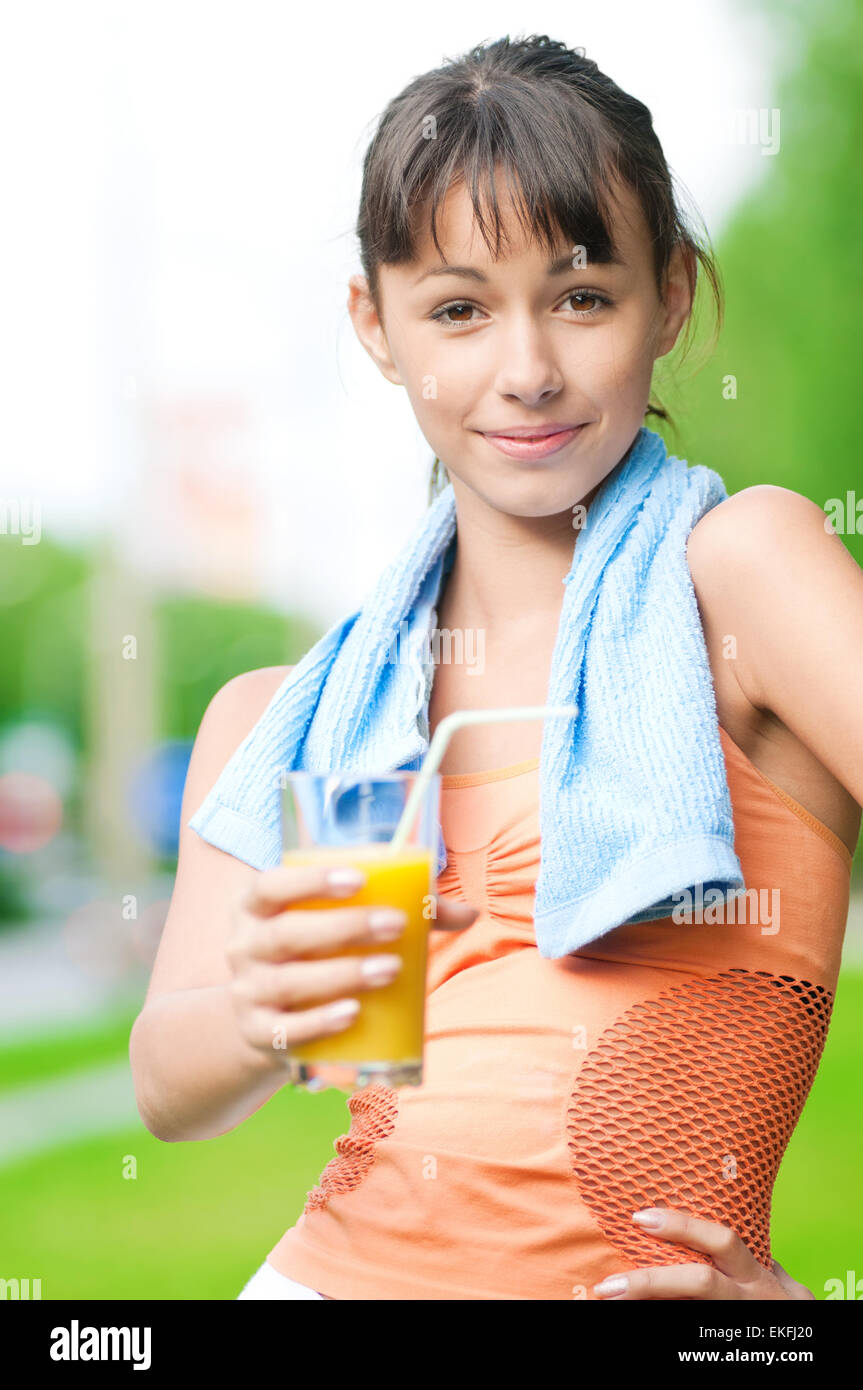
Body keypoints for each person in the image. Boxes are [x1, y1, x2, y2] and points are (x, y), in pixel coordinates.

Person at [129, 34, 862, 1301]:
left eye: (580, 296)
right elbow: (165, 1088)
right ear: (375, 322)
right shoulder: (299, 717)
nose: (525, 370)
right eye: (457, 308)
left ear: (670, 294)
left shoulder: (741, 575)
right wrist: (267, 1003)